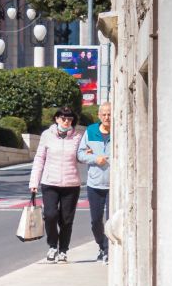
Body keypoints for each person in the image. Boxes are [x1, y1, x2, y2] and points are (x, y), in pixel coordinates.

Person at [29, 106, 84, 263]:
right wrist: (34, 181)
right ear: (56, 118)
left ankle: (63, 250)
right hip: (50, 182)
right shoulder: (47, 135)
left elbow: (80, 158)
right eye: (63, 118)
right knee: (50, 216)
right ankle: (53, 245)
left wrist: (88, 154)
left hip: (71, 184)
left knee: (67, 219)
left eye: (70, 119)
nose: (66, 122)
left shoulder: (78, 137)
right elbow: (40, 158)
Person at [77, 101, 112, 263]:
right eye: (104, 114)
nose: (107, 117)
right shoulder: (90, 131)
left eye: (109, 114)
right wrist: (94, 158)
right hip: (95, 184)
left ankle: (108, 250)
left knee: (112, 220)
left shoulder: (120, 130)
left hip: (114, 186)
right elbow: (80, 154)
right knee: (96, 220)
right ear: (99, 116)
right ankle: (101, 245)